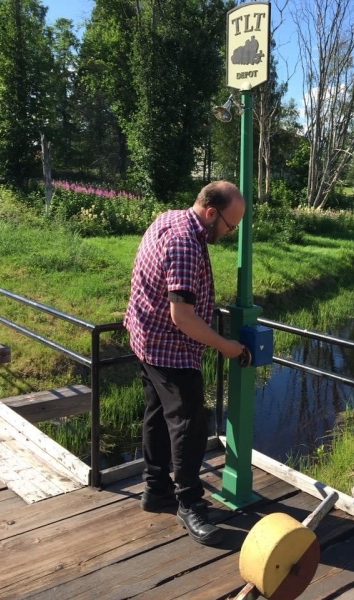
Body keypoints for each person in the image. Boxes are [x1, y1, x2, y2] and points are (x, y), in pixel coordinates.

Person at [124, 180, 246, 546]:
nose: (229, 233)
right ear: (211, 213)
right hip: (169, 346)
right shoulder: (185, 244)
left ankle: (155, 489)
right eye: (229, 226)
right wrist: (224, 345)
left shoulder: (170, 218)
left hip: (145, 336)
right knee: (190, 425)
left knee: (157, 415)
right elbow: (183, 317)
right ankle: (189, 503)